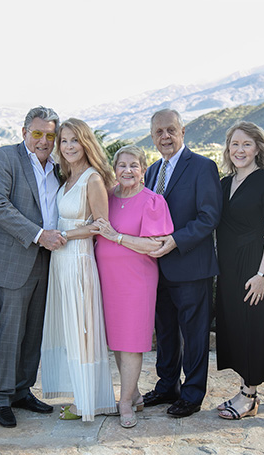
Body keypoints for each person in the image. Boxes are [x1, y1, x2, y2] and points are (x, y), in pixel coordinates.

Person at [140, 109, 222, 418]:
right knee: (165, 332)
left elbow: (209, 217)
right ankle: (167, 386)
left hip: (191, 266)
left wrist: (175, 240)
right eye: (159, 132)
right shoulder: (151, 171)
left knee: (194, 334)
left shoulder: (202, 167)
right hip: (158, 268)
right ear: (152, 137)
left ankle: (192, 393)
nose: (165, 136)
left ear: (182, 131)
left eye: (171, 130)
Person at [0, 106, 65, 427]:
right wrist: (38, 234)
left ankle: (22, 390)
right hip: (15, 258)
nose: (43, 141)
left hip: (48, 260)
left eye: (50, 135)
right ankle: (2, 397)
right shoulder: (6, 158)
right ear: (24, 132)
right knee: (11, 332)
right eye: (37, 133)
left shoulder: (58, 167)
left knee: (34, 331)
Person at [39, 118, 118, 421]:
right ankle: (78, 394)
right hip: (60, 261)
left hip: (78, 260)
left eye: (75, 140)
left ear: (86, 143)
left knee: (81, 329)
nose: (69, 146)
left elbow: (101, 225)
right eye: (64, 141)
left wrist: (65, 235)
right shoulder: (67, 178)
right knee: (68, 329)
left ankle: (87, 402)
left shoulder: (92, 178)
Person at [93, 145, 174, 428]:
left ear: (143, 170)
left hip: (136, 280)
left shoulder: (153, 201)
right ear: (114, 169)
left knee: (131, 341)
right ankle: (135, 394)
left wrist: (116, 237)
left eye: (133, 165)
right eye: (122, 165)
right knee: (117, 340)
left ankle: (125, 402)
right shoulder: (106, 197)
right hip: (107, 278)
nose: (127, 170)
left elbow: (155, 246)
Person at [213, 121, 264, 420]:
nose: (239, 150)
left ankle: (250, 397)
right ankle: (243, 390)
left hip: (254, 266)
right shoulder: (225, 183)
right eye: (235, 144)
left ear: (258, 149)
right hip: (228, 268)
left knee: (252, 328)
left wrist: (262, 275)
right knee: (236, 329)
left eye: (246, 144)